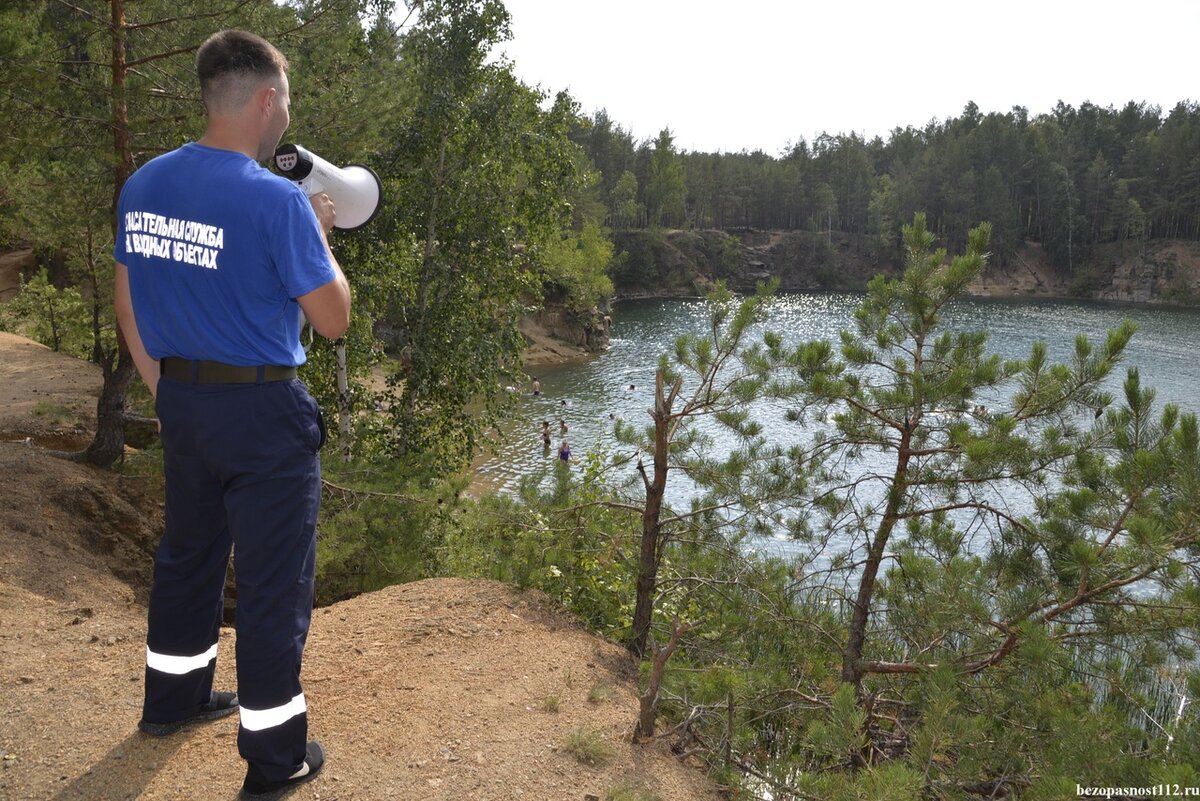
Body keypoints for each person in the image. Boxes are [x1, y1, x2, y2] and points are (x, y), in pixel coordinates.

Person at [112, 29, 348, 798]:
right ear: (265, 99)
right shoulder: (277, 201)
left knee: (189, 557)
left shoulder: (144, 183)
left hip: (184, 400)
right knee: (274, 585)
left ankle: (172, 701)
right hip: (262, 412)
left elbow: (128, 294)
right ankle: (274, 758)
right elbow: (334, 317)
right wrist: (321, 237)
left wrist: (162, 384)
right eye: (287, 98)